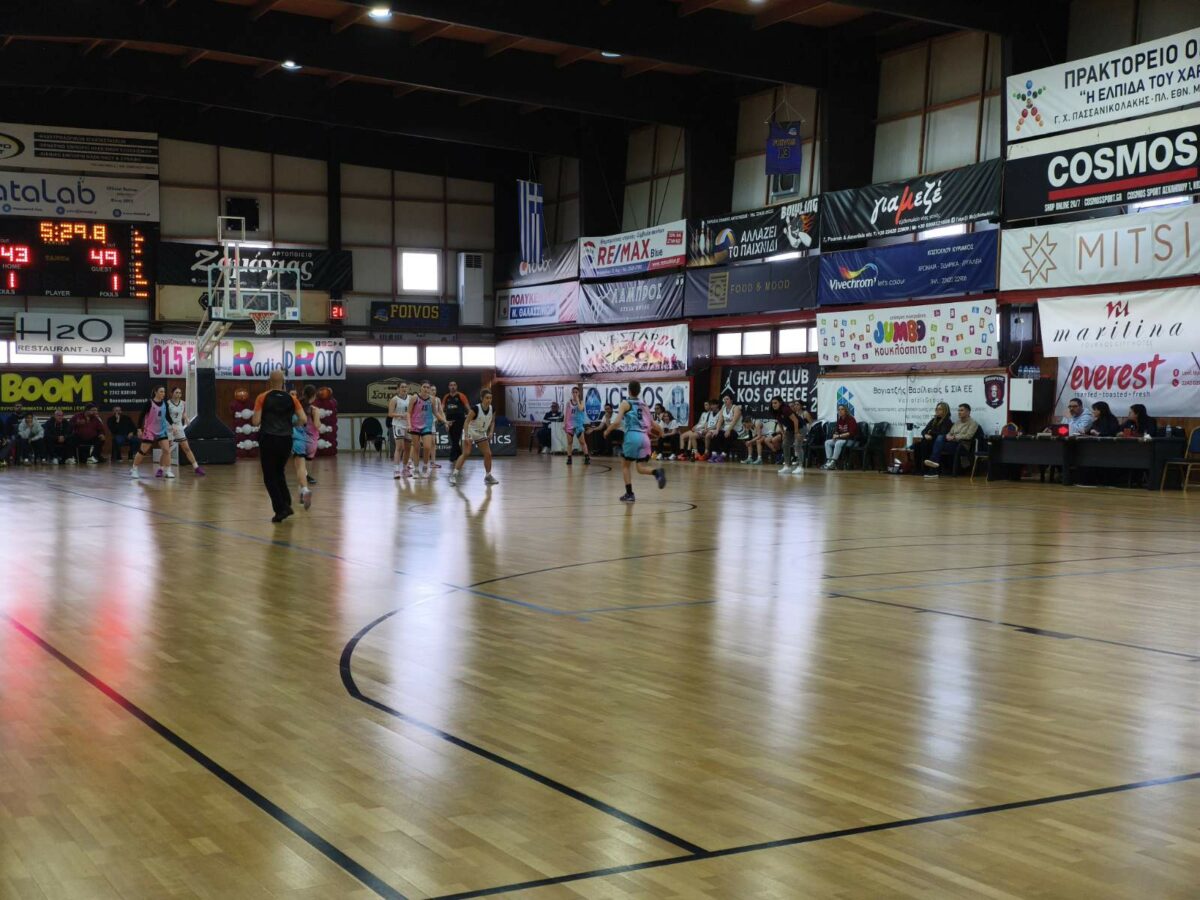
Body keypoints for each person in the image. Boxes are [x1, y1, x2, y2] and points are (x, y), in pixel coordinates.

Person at [252, 370, 306, 522]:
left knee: (269, 477)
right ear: (283, 382)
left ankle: (281, 509)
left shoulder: (262, 397)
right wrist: (291, 424)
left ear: (269, 381)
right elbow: (303, 419)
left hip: (269, 439)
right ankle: (286, 503)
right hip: (286, 439)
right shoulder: (292, 399)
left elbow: (255, 421)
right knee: (279, 472)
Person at [603, 380, 666, 502]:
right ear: (639, 391)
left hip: (632, 436)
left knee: (625, 466)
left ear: (629, 390)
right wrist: (661, 431)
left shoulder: (625, 403)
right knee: (640, 467)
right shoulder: (644, 405)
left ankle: (629, 494)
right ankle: (657, 472)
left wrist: (607, 430)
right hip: (645, 438)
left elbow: (616, 422)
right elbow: (653, 423)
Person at [449, 389, 500, 486]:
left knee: (488, 454)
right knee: (466, 453)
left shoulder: (492, 409)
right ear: (482, 398)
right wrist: (466, 436)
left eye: (490, 398)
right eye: (487, 398)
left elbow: (493, 421)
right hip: (470, 431)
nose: (489, 400)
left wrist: (491, 432)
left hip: (481, 433)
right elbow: (466, 422)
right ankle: (454, 475)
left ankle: (488, 476)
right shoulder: (475, 409)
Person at [925, 403, 980, 477]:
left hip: (962, 446)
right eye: (958, 410)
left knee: (938, 444)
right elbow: (950, 433)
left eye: (961, 410)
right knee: (939, 439)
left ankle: (933, 466)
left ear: (968, 412)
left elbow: (968, 436)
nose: (959, 412)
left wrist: (955, 437)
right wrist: (948, 436)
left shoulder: (973, 423)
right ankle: (933, 467)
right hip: (952, 443)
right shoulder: (957, 422)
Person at [130, 387, 173, 478]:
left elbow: (167, 416)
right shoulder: (149, 403)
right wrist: (139, 429)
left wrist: (173, 425)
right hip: (150, 430)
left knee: (166, 450)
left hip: (162, 430)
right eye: (161, 391)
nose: (163, 393)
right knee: (143, 451)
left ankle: (168, 471)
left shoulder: (165, 403)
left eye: (164, 392)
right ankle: (134, 469)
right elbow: (141, 416)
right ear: (156, 392)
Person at [290, 385, 319, 511]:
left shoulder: (295, 407)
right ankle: (302, 494)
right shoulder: (314, 409)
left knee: (300, 469)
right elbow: (317, 425)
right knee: (304, 470)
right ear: (314, 396)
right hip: (312, 442)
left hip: (298, 439)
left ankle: (305, 490)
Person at [165, 388, 206, 476]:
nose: (178, 394)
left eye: (180, 392)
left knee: (186, 448)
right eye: (176, 392)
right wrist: (171, 426)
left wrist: (186, 418)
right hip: (169, 427)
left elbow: (182, 413)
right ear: (172, 393)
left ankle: (196, 467)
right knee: (166, 450)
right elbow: (166, 416)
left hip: (179, 427)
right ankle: (164, 469)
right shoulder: (167, 403)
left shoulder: (183, 403)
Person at [409, 382, 447, 478]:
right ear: (420, 388)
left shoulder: (432, 399)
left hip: (427, 425)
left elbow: (436, 413)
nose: (426, 389)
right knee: (416, 448)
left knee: (427, 447)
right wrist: (409, 425)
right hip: (415, 425)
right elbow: (408, 413)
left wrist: (445, 421)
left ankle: (425, 467)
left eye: (428, 387)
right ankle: (416, 469)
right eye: (424, 387)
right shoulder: (414, 398)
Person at [911, 402, 953, 472]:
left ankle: (926, 468)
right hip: (929, 440)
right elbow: (924, 431)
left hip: (937, 443)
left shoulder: (947, 421)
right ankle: (918, 468)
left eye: (940, 409)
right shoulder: (934, 420)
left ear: (945, 411)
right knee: (917, 445)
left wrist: (930, 432)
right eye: (936, 409)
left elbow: (942, 434)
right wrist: (925, 435)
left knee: (924, 444)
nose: (937, 411)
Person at [769, 397, 801, 473]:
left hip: (800, 427)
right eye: (772, 403)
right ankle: (787, 466)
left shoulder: (785, 409)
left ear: (780, 403)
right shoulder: (775, 411)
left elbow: (796, 420)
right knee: (785, 444)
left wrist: (796, 433)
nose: (773, 405)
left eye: (775, 403)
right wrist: (783, 433)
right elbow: (779, 422)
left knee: (797, 445)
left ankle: (800, 466)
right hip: (790, 429)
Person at [822, 405, 859, 470]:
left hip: (853, 441)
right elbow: (837, 431)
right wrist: (835, 435)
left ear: (846, 411)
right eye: (839, 410)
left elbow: (850, 433)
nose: (840, 411)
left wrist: (839, 436)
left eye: (842, 409)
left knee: (838, 443)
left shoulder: (851, 419)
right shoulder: (840, 419)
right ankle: (829, 461)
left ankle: (833, 462)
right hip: (843, 440)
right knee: (827, 442)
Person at [388, 379, 412, 479]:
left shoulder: (411, 398)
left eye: (405, 387)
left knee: (408, 448)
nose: (404, 389)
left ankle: (405, 469)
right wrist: (401, 415)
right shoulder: (394, 399)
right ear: (398, 389)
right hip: (398, 425)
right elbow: (390, 414)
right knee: (399, 447)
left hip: (408, 425)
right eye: (402, 387)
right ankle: (396, 470)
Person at [563, 386, 591, 466]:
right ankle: (569, 458)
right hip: (570, 424)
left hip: (578, 424)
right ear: (571, 393)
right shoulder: (568, 403)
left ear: (578, 393)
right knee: (569, 442)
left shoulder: (581, 402)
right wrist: (564, 423)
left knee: (582, 442)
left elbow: (581, 409)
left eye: (576, 392)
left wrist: (577, 400)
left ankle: (587, 457)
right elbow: (566, 414)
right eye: (573, 392)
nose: (574, 393)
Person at [442, 381, 470, 462]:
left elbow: (468, 408)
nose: (453, 387)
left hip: (459, 419)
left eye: (454, 385)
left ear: (456, 386)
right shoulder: (446, 397)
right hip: (449, 420)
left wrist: (470, 417)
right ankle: (459, 454)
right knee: (453, 438)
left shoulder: (461, 395)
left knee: (456, 437)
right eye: (451, 385)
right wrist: (445, 421)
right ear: (449, 387)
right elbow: (441, 409)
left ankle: (452, 457)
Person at [712, 394, 742, 462]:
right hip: (725, 429)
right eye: (724, 399)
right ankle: (714, 455)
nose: (725, 400)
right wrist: (717, 430)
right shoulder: (723, 408)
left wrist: (728, 430)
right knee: (715, 434)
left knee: (728, 436)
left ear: (731, 400)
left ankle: (723, 455)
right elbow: (720, 420)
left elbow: (734, 421)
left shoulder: (736, 408)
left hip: (736, 429)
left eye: (727, 399)